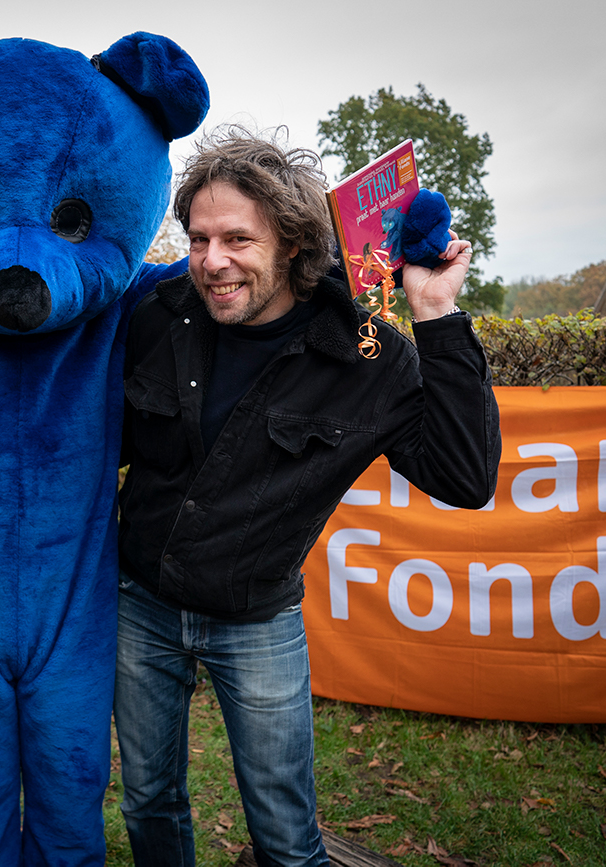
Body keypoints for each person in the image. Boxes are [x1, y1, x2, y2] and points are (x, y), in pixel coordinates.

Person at [114, 129, 501, 867]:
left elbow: (464, 476)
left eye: (237, 239)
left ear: (292, 243)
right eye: (198, 239)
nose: (212, 261)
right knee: (147, 800)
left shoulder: (365, 355)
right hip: (141, 605)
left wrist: (436, 312)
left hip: (256, 620)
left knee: (287, 839)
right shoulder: (159, 314)